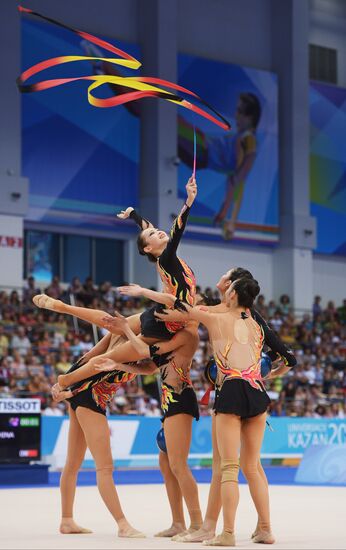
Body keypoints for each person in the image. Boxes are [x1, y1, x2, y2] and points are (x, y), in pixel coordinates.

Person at [156, 277, 295, 546]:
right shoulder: (258, 325)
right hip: (256, 391)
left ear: (231, 296)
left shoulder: (216, 319)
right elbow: (291, 359)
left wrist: (143, 292)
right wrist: (273, 373)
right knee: (252, 467)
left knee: (229, 468)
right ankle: (265, 529)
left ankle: (228, 533)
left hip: (230, 390)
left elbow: (178, 304)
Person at [32, 177, 197, 390]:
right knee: (108, 354)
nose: (158, 231)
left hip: (161, 316)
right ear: (148, 248)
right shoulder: (166, 258)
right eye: (153, 234)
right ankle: (66, 380)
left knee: (109, 331)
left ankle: (64, 310)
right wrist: (189, 201)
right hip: (165, 324)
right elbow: (177, 232)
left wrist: (134, 215)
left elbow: (149, 227)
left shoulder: (162, 256)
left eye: (156, 231)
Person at [94, 300, 203, 540]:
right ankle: (178, 522)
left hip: (179, 398)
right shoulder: (177, 335)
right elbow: (148, 367)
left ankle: (197, 523)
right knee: (166, 465)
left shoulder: (189, 334)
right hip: (168, 401)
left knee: (178, 465)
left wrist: (125, 328)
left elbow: (144, 351)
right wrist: (117, 364)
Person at [52, 330, 157, 538]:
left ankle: (66, 520)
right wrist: (67, 389)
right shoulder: (129, 347)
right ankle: (122, 524)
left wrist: (67, 387)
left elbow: (88, 358)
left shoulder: (120, 339)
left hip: (83, 399)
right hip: (91, 400)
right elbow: (98, 369)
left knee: (72, 464)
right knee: (105, 467)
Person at [178, 93, 261, 239]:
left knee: (169, 120)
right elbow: (233, 181)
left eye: (240, 112)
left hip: (203, 150)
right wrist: (224, 213)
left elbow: (238, 183)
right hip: (202, 153)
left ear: (251, 118)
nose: (236, 116)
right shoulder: (243, 139)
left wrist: (231, 221)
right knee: (168, 123)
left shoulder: (248, 141)